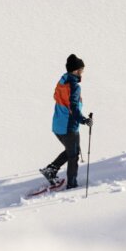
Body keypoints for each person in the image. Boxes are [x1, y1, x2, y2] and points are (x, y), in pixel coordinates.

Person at [40, 54, 92, 189]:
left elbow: (56, 97)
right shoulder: (74, 86)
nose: (83, 72)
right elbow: (74, 109)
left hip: (57, 125)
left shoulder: (62, 82)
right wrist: (84, 120)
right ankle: (72, 185)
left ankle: (51, 169)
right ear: (76, 70)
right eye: (82, 69)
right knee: (73, 155)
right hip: (69, 126)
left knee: (72, 150)